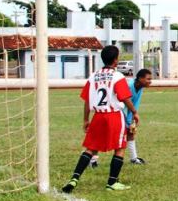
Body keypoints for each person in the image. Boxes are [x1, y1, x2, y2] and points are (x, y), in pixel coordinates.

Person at [61, 45, 138, 193]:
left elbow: (87, 100)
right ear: (116, 60)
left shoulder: (93, 76)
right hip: (114, 115)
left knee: (90, 149)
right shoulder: (117, 76)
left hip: (98, 116)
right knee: (120, 147)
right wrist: (134, 112)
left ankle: (74, 179)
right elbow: (124, 97)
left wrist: (85, 119)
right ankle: (112, 182)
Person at [124, 68, 152, 165]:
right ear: (140, 78)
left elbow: (134, 104)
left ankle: (134, 158)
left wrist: (131, 120)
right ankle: (92, 159)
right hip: (116, 112)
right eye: (148, 79)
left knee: (131, 132)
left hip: (127, 112)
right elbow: (123, 102)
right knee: (108, 136)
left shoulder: (139, 88)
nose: (150, 81)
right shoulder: (129, 86)